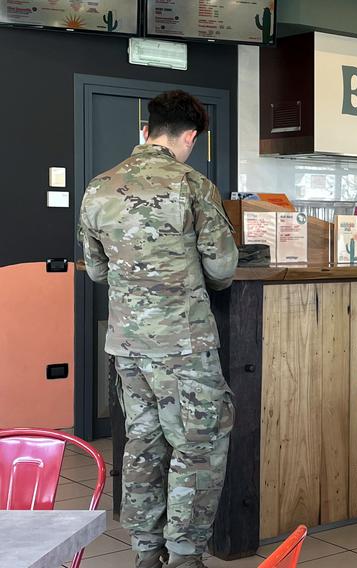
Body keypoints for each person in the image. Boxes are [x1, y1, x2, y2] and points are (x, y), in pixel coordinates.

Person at [79, 90, 238, 568]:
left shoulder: (99, 187)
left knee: (143, 444)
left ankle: (146, 553)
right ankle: (186, 556)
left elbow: (95, 270)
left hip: (127, 345)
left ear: (147, 129)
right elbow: (224, 266)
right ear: (189, 136)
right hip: (184, 345)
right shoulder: (193, 184)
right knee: (199, 447)